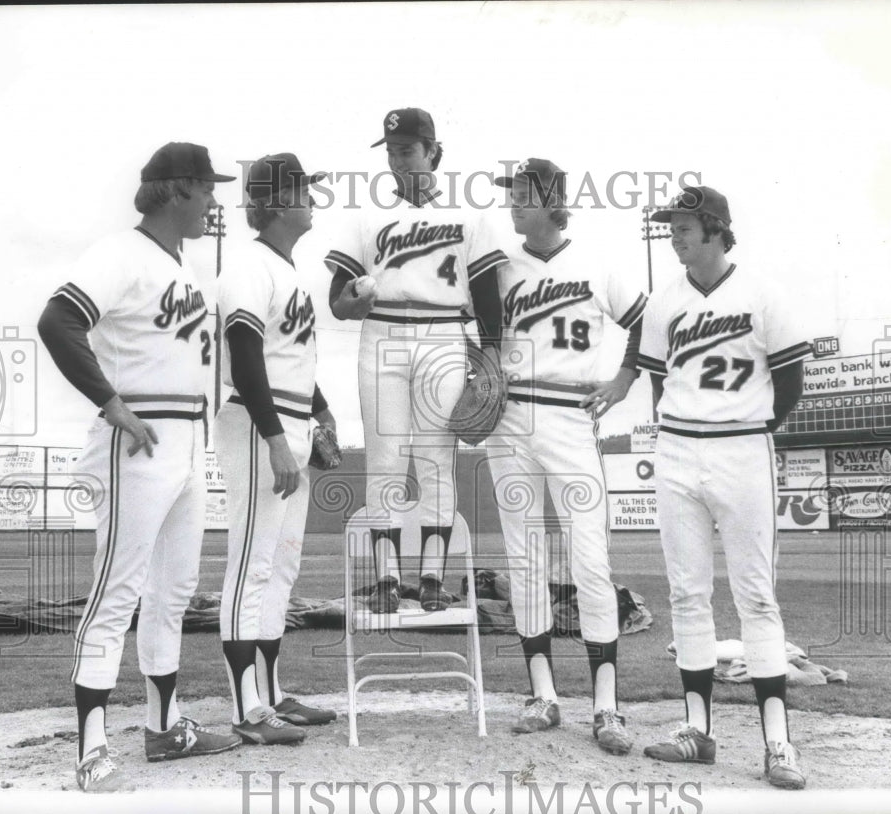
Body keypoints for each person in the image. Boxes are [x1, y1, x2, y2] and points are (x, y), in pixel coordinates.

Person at [37, 142, 241, 793]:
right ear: (178, 189)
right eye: (208, 188)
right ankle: (91, 745)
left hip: (184, 444)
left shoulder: (183, 268)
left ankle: (163, 726)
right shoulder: (119, 254)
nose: (215, 200)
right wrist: (110, 402)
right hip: (137, 441)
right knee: (117, 591)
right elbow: (58, 319)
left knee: (173, 591)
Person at [636, 185, 810, 789]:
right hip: (678, 450)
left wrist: (746, 427)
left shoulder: (762, 292)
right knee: (687, 595)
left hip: (742, 449)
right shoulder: (663, 302)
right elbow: (659, 384)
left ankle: (778, 743)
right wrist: (686, 427)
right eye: (671, 225)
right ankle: (696, 732)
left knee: (755, 596)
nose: (675, 234)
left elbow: (789, 382)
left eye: (684, 224)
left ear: (714, 227)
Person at [486, 158, 646, 755]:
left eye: (523, 194)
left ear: (552, 199)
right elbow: (469, 335)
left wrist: (624, 381)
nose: (513, 203)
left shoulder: (596, 262)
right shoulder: (498, 271)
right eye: (510, 194)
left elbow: (644, 322)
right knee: (524, 559)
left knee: (589, 560)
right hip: (508, 418)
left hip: (569, 415)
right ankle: (543, 696)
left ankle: (607, 707)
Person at [325, 108, 506, 612]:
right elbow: (336, 299)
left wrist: (490, 359)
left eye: (406, 149)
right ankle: (385, 578)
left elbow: (489, 296)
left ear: (433, 151)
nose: (397, 159)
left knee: (434, 461)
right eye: (390, 151)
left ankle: (430, 575)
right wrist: (351, 304)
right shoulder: (364, 218)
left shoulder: (469, 216)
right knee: (384, 460)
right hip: (381, 332)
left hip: (445, 333)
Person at [214, 153, 338, 745]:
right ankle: (246, 709)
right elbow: (245, 357)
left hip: (291, 422)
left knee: (282, 567)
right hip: (257, 426)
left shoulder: (289, 271)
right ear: (277, 202)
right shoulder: (248, 268)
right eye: (304, 190)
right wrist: (275, 440)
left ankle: (270, 693)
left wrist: (319, 411)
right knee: (250, 565)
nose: (312, 198)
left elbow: (289, 358)